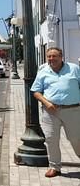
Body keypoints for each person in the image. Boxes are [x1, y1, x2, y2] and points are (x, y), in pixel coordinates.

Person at [31, 48, 80, 178]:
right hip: (50, 111)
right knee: (51, 139)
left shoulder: (74, 68)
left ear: (61, 57)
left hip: (73, 110)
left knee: (76, 139)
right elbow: (36, 91)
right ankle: (55, 167)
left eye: (54, 56)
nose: (51, 59)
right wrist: (46, 103)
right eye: (49, 57)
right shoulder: (43, 71)